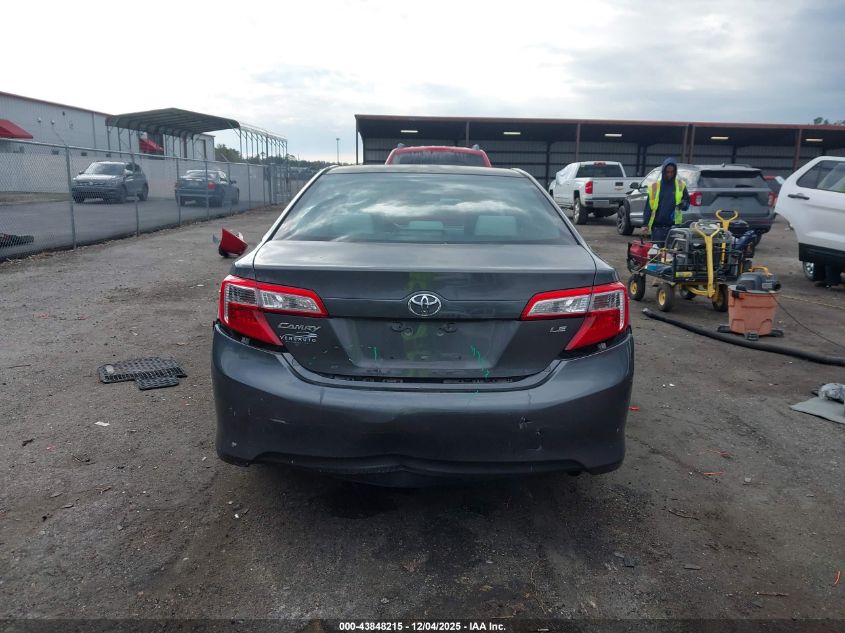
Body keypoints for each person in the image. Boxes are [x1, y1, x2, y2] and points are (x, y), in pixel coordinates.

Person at [641, 157, 690, 245]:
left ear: (675, 172)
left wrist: (683, 204)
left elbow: (687, 202)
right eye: (667, 172)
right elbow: (648, 208)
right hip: (658, 227)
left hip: (674, 226)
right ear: (663, 171)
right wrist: (645, 224)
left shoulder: (680, 185)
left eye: (672, 172)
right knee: (657, 251)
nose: (669, 174)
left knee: (672, 252)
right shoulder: (655, 187)